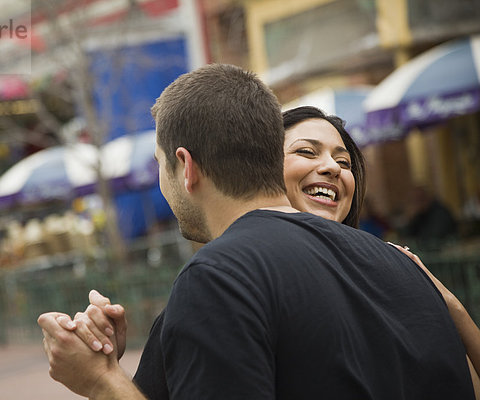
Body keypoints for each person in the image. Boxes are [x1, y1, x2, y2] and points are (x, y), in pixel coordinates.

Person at [38, 65, 474, 399]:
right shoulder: (406, 268)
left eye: (159, 165)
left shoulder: (219, 279)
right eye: (306, 150)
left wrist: (99, 382)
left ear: (186, 167)